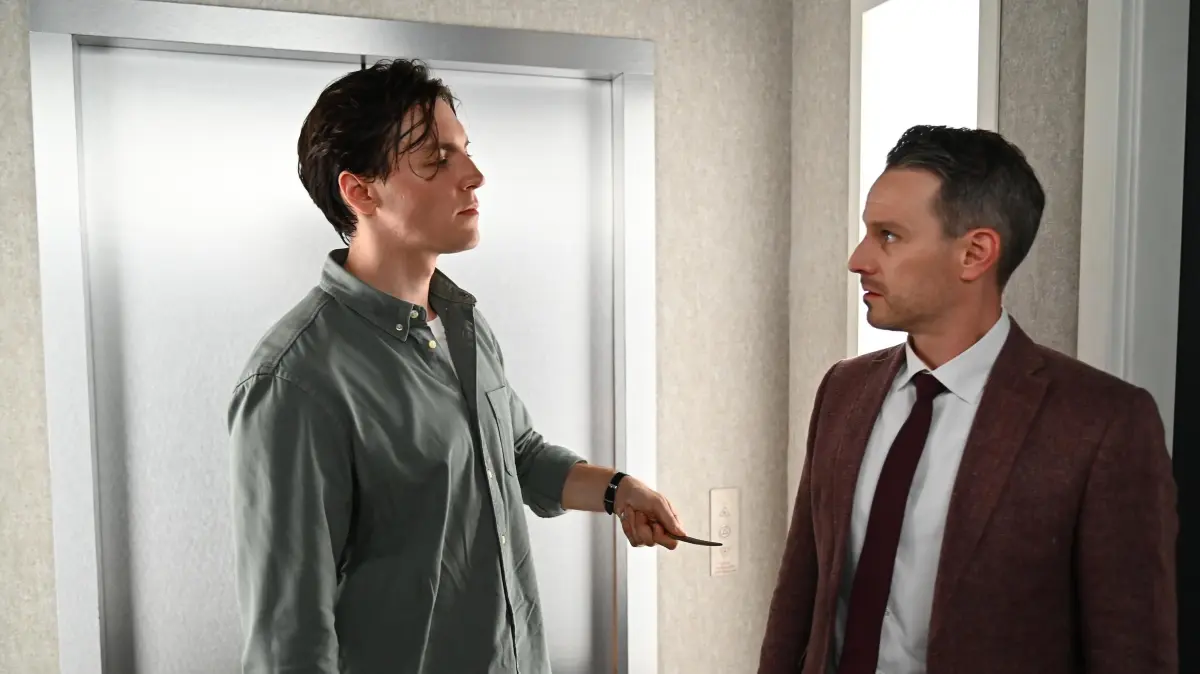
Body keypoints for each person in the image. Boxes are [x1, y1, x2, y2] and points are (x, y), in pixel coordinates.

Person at [227, 58, 686, 674]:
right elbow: (289, 644)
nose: (473, 175)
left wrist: (618, 490)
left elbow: (516, 454)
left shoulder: (462, 323)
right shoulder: (295, 382)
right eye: (437, 159)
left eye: (465, 150)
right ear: (360, 191)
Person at [758, 125, 1178, 674]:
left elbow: (1131, 648)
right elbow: (799, 593)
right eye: (867, 232)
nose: (858, 259)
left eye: (888, 236)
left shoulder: (1102, 423)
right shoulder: (843, 389)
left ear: (975, 253)